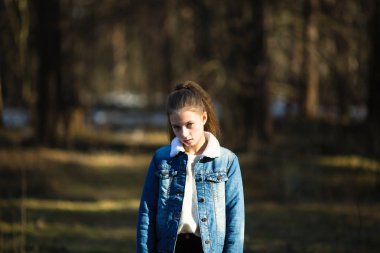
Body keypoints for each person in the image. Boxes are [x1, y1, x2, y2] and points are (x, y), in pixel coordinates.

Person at [137, 81, 244, 253]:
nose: (183, 134)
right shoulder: (161, 159)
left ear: (203, 117)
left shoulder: (227, 161)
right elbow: (147, 214)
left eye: (189, 125)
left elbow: (235, 221)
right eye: (176, 127)